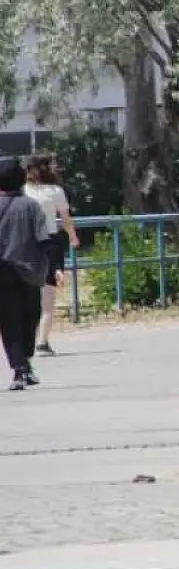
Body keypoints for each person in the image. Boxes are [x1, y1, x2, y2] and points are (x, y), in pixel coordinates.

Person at [0, 156, 50, 391]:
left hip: (2, 273)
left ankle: (19, 367)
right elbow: (43, 239)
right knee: (30, 316)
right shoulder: (32, 206)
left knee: (8, 321)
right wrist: (50, 269)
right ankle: (25, 363)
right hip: (29, 271)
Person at [24, 153, 78, 356]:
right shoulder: (56, 191)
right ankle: (42, 342)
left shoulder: (23, 192)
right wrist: (73, 237)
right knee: (48, 296)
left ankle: (25, 339)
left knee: (27, 296)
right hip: (49, 243)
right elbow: (65, 218)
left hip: (25, 245)